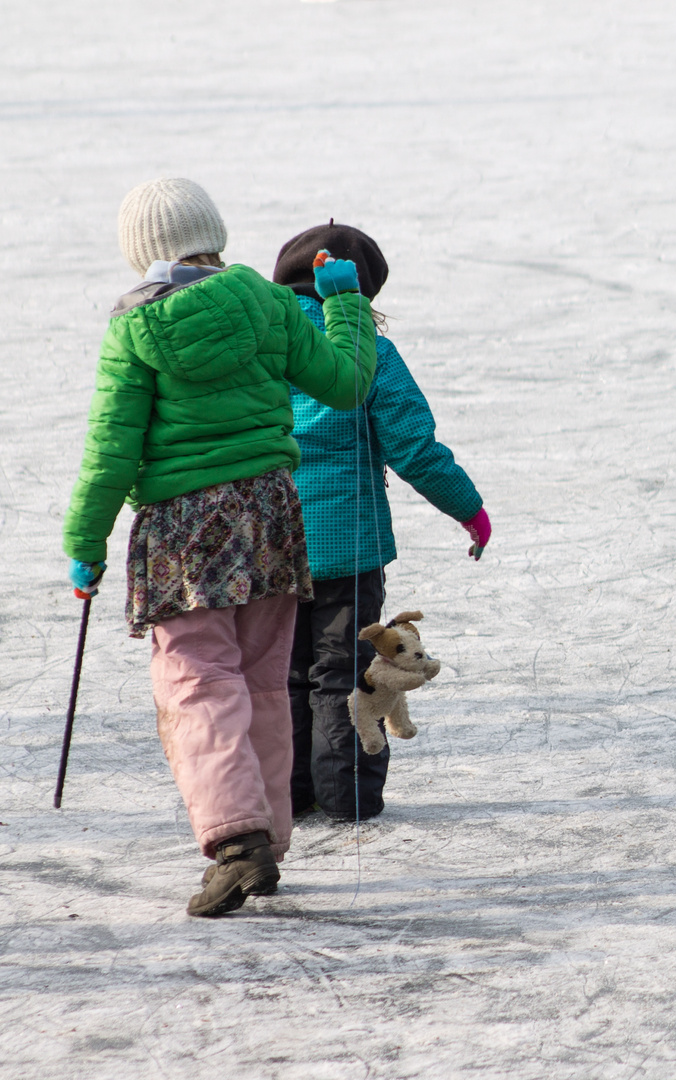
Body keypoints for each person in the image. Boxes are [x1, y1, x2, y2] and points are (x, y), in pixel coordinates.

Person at [62, 178, 377, 916]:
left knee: (198, 680)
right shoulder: (267, 303)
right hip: (270, 511)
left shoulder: (135, 329)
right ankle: (264, 831)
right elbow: (346, 382)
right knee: (263, 680)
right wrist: (345, 303)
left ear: (140, 253)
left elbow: (111, 448)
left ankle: (238, 845)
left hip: (183, 529)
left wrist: (86, 542)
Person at [271, 222, 489, 822]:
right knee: (346, 677)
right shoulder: (371, 353)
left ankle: (287, 796)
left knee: (283, 675)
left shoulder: (259, 347)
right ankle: (350, 799)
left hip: (264, 541)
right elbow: (414, 446)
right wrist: (468, 509)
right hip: (350, 547)